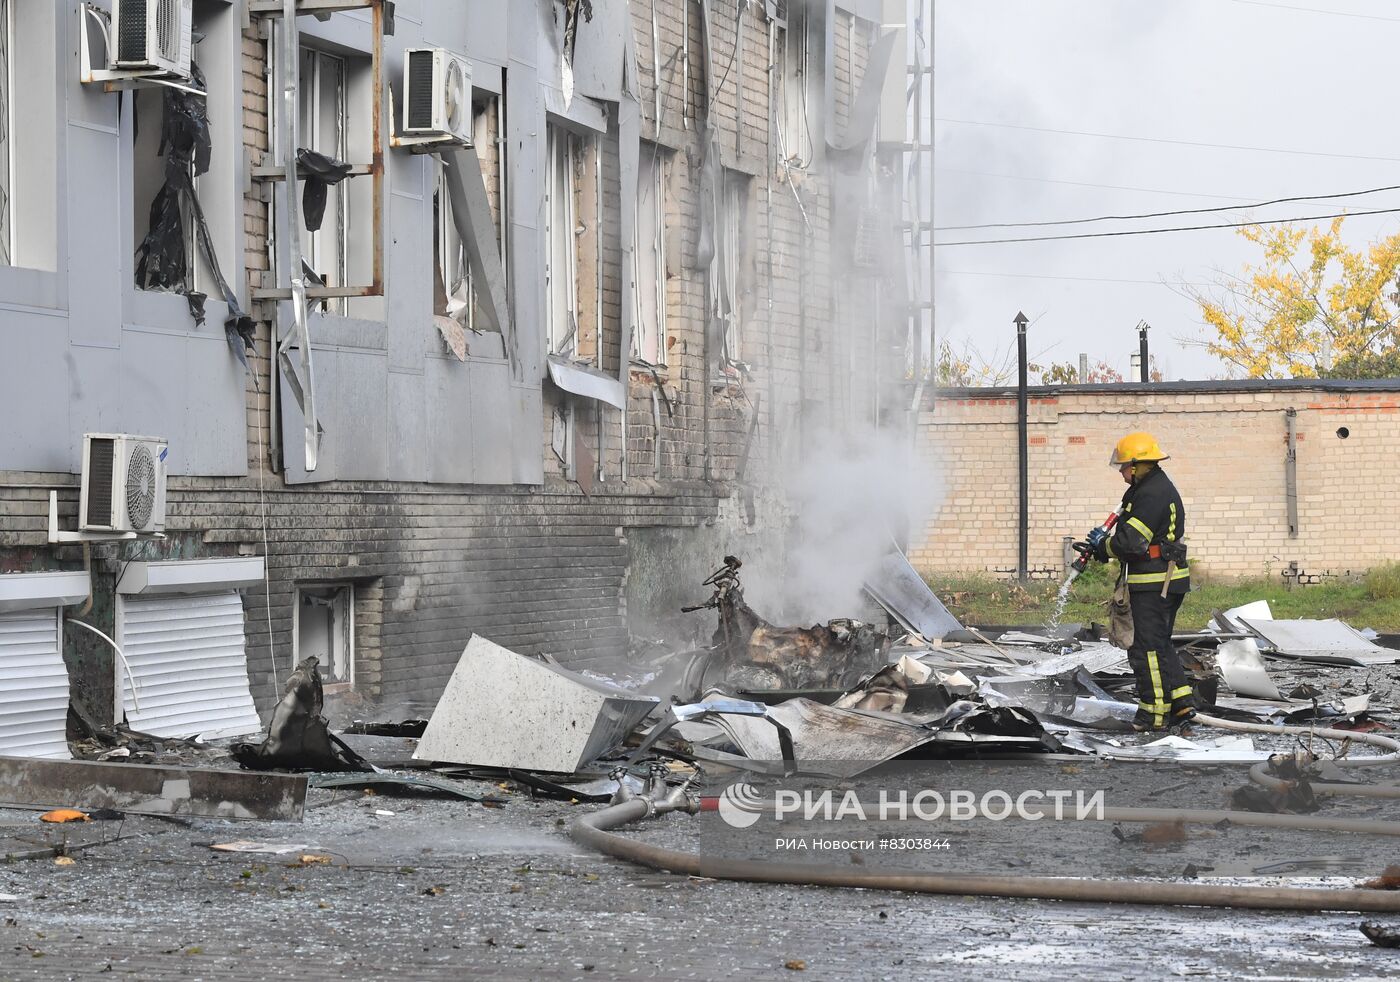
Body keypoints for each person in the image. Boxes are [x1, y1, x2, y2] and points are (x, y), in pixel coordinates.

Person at [1081, 431, 1195, 732]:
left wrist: (1103, 546)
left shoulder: (1151, 494)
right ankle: (1181, 705)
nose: (1121, 471)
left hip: (1155, 583)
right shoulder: (1148, 488)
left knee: (1146, 649)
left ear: (1138, 464)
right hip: (1164, 580)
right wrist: (1105, 544)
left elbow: (1131, 543)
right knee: (1160, 644)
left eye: (1124, 466)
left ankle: (1152, 715)